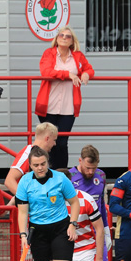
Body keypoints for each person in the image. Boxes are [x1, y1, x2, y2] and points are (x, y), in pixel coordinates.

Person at [15, 145, 80, 261]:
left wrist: (73, 224)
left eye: (43, 163)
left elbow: (74, 203)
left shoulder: (60, 179)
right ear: (30, 165)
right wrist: (23, 235)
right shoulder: (25, 182)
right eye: (36, 165)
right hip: (38, 232)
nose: (40, 168)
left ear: (47, 162)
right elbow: (22, 212)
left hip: (61, 229)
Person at [0, 121, 58, 261]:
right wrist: (29, 201)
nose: (55, 144)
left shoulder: (37, 156)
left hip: (37, 216)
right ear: (47, 137)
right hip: (30, 218)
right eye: (54, 140)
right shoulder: (29, 152)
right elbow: (9, 180)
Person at [68, 144, 115, 261]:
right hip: (75, 238)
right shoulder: (69, 178)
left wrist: (105, 229)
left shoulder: (101, 176)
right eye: (87, 168)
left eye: (94, 168)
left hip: (96, 235)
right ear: (79, 161)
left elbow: (101, 206)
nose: (90, 172)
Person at [34, 25, 94, 169]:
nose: (64, 38)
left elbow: (89, 68)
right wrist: (67, 74)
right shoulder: (49, 53)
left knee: (61, 142)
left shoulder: (78, 55)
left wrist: (86, 74)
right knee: (47, 142)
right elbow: (46, 71)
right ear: (56, 38)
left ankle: (61, 174)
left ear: (72, 41)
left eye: (68, 36)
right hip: (48, 105)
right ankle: (45, 171)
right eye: (61, 35)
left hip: (68, 107)